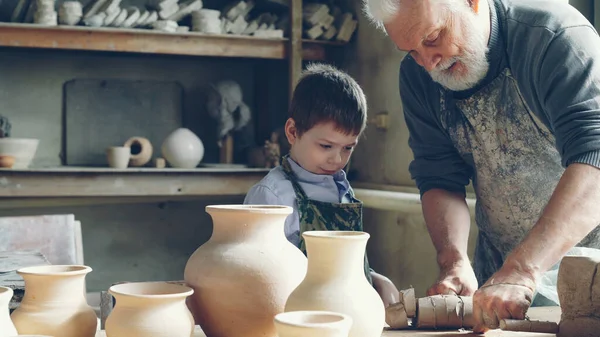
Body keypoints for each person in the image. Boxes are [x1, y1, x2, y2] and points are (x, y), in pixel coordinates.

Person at [362, 0, 600, 332]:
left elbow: (595, 157)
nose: (429, 63)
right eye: (412, 51)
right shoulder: (418, 76)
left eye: (433, 38)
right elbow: (439, 177)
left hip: (591, 277)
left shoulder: (554, 38)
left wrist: (522, 270)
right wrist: (453, 260)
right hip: (501, 282)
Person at [243, 63, 400, 308]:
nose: (337, 159)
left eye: (348, 148)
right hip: (300, 313)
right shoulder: (272, 194)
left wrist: (375, 279)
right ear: (293, 132)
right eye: (326, 146)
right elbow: (256, 275)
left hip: (348, 308)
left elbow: (348, 263)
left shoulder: (342, 188)